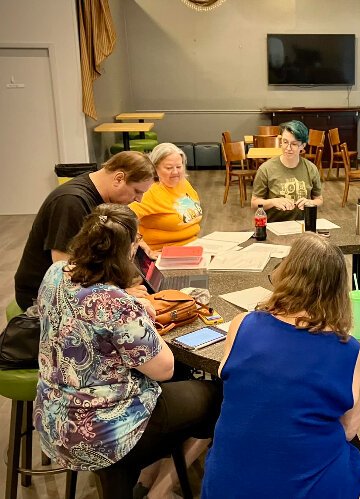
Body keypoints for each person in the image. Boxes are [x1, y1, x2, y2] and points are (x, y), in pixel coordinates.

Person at [33, 204, 222, 499]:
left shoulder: (55, 273)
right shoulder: (115, 303)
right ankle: (158, 490)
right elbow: (164, 368)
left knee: (166, 401)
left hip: (53, 417)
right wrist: (140, 314)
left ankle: (140, 478)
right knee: (217, 397)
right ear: (129, 250)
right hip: (102, 429)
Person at [202, 233, 360, 498]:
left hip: (225, 486)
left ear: (286, 271)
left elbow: (228, 379)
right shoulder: (348, 350)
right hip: (309, 487)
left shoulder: (243, 323)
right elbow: (348, 431)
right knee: (336, 446)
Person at [14, 151, 155, 310]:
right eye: (137, 191)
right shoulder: (71, 202)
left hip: (82, 286)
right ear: (119, 178)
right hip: (42, 296)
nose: (139, 199)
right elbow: (67, 272)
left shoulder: (96, 193)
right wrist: (118, 294)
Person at [129, 142, 203, 251]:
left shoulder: (183, 183)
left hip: (193, 246)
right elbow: (125, 219)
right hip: (163, 252)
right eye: (169, 168)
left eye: (179, 166)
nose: (175, 172)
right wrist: (143, 247)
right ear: (154, 168)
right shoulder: (149, 191)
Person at [251, 120, 323, 222]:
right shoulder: (265, 169)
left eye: (294, 144)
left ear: (302, 145)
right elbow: (254, 204)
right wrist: (273, 202)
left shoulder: (311, 169)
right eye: (285, 142)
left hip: (303, 225)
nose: (288, 148)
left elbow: (319, 200)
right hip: (275, 225)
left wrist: (310, 203)